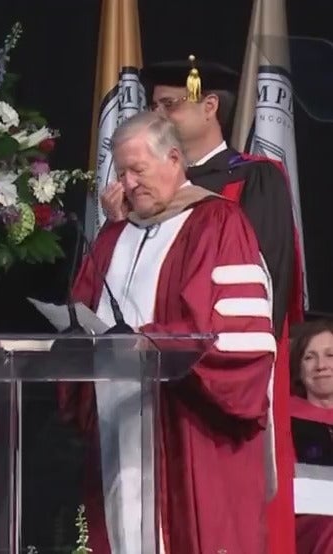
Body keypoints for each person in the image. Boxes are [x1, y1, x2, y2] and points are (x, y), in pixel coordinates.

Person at [99, 55, 302, 553]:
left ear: (210, 106)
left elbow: (260, 293)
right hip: (135, 404)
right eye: (154, 106)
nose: (161, 114)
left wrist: (212, 363)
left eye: (170, 104)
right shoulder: (129, 214)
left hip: (206, 394)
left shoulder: (247, 186)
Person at [62, 112, 277, 553]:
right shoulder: (114, 235)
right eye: (121, 172)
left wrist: (147, 342)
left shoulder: (217, 223)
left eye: (137, 169)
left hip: (190, 429)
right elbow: (82, 313)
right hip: (119, 425)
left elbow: (231, 335)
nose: (127, 182)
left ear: (174, 158)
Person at [288, 319, 333, 553]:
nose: (321, 366)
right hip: (310, 523)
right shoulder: (284, 420)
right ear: (298, 368)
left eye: (330, 355)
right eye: (309, 357)